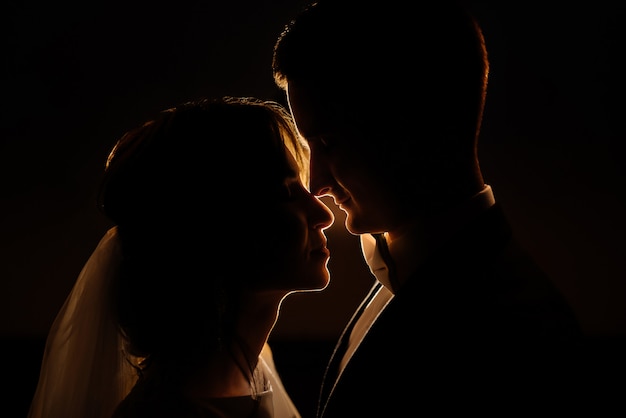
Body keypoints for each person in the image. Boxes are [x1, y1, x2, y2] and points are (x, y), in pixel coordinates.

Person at [272, 1, 585, 416]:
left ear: (413, 124)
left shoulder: (511, 332)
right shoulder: (414, 270)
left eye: (329, 144)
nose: (317, 183)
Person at [27, 96, 335, 418]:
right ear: (215, 223)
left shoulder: (252, 380)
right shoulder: (167, 412)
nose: (322, 214)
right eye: (286, 192)